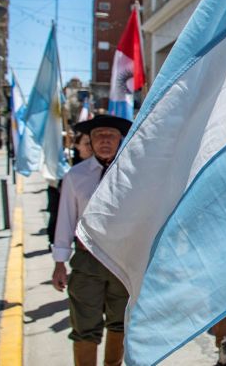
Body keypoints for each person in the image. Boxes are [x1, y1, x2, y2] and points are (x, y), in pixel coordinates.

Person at [51, 115, 132, 366]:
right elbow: (65, 219)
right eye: (99, 136)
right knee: (84, 325)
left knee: (120, 322)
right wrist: (59, 263)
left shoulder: (134, 174)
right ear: (90, 141)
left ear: (120, 140)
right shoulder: (76, 176)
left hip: (122, 261)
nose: (105, 140)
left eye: (111, 135)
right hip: (87, 262)